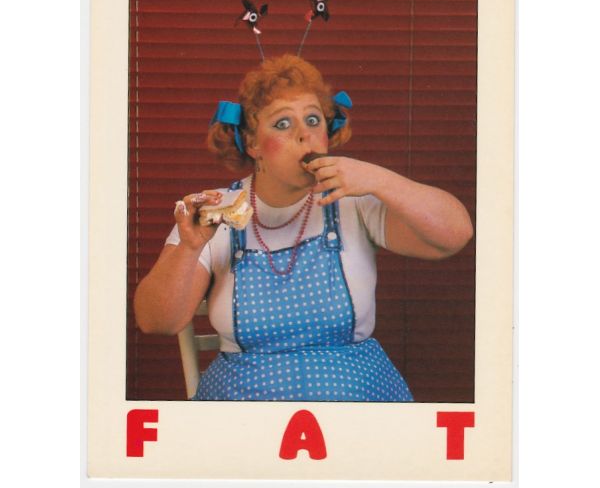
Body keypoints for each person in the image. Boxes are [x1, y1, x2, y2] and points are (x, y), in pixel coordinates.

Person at [134, 54, 473, 402]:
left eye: (313, 120)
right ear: (252, 143)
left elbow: (455, 234)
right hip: (245, 411)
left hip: (358, 404)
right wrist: (189, 247)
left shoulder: (353, 202)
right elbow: (156, 321)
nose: (304, 134)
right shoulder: (217, 211)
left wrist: (379, 179)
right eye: (283, 123)